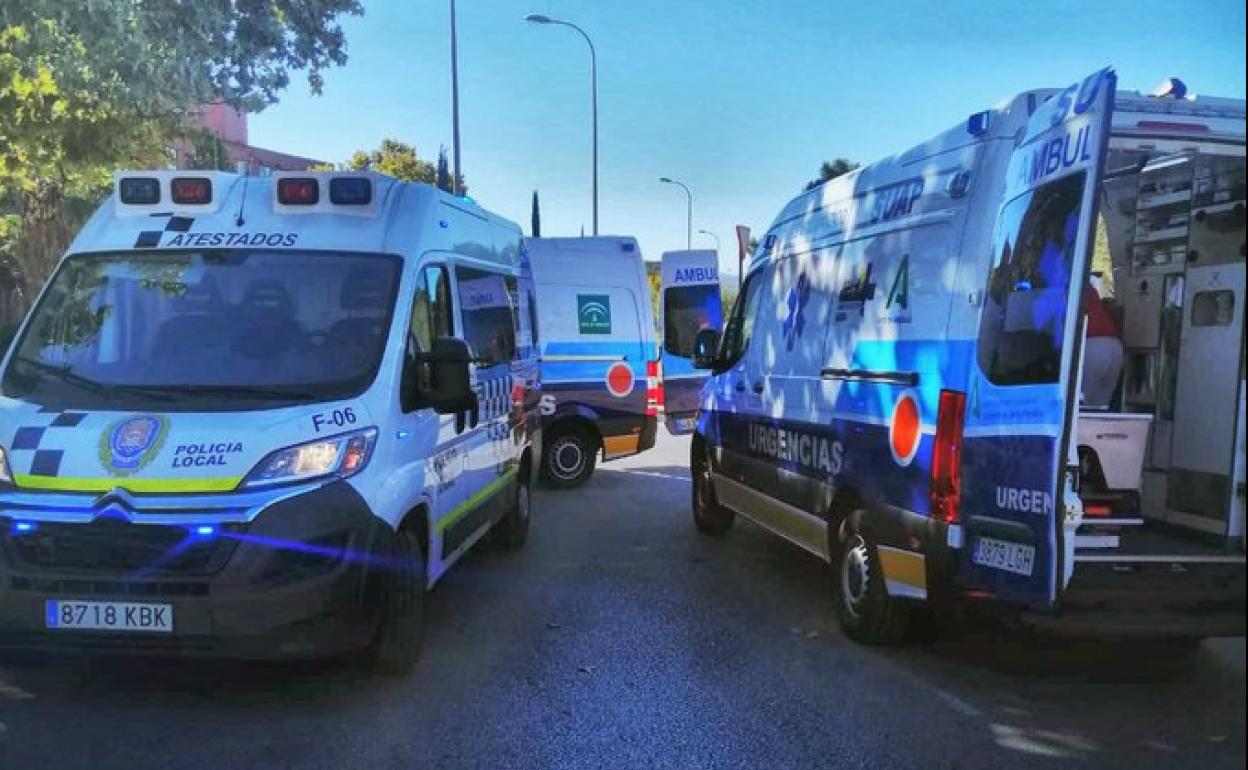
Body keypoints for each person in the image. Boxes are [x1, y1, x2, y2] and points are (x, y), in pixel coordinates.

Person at [1081, 275, 1123, 409]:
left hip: (1091, 345)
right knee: (1101, 407)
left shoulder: (1062, 289)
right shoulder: (1087, 287)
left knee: (1081, 405)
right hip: (1114, 346)